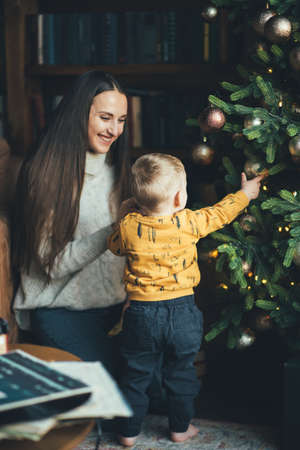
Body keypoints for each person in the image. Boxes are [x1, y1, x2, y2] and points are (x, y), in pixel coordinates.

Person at [107, 153, 262, 446]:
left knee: (135, 375)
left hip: (141, 313)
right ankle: (180, 428)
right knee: (181, 373)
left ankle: (128, 432)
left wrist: (125, 213)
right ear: (180, 198)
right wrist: (245, 194)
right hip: (182, 313)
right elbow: (220, 213)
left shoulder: (129, 227)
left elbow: (114, 246)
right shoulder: (189, 222)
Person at [11, 71, 130, 378]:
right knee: (120, 401)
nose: (115, 130)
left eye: (122, 120)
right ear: (80, 114)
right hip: (59, 310)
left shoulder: (120, 172)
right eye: (105, 117)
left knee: (159, 389)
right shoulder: (44, 174)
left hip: (116, 307)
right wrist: (115, 232)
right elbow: (53, 263)